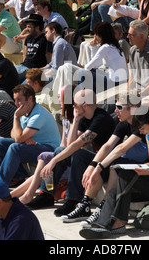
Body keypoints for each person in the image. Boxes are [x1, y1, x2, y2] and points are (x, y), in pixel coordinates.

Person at [79, 105, 149, 239]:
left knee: (125, 174)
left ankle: (118, 223)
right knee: (115, 187)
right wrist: (145, 167)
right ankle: (102, 225)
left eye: (142, 128)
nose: (142, 132)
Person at [65, 92, 149, 226]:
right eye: (116, 107)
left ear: (132, 107)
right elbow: (108, 145)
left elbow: (121, 148)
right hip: (125, 163)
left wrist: (98, 167)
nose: (115, 111)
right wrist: (93, 165)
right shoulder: (123, 123)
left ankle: (103, 208)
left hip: (143, 168)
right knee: (91, 159)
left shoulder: (142, 124)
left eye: (119, 107)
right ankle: (85, 203)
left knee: (113, 164)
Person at [33, 88, 116, 216]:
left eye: (75, 104)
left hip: (105, 161)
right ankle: (46, 195)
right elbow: (70, 145)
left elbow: (77, 145)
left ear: (85, 105)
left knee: (79, 154)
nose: (72, 106)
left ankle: (73, 200)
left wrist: (54, 160)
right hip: (93, 156)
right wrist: (76, 120)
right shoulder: (84, 117)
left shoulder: (101, 118)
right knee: (60, 150)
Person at [0, 84, 61, 186]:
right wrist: (24, 138)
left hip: (49, 148)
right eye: (15, 100)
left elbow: (18, 138)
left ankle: (0, 185)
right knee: (0, 143)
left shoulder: (38, 115)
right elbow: (13, 133)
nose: (16, 103)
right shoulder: (24, 111)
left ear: (30, 98)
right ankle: (19, 176)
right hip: (35, 144)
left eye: (19, 100)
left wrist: (16, 118)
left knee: (15, 147)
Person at [14, 13, 52, 83]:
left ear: (37, 27)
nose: (27, 29)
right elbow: (25, 56)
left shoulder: (45, 39)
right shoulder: (28, 38)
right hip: (23, 66)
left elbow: (49, 58)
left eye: (29, 27)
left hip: (34, 69)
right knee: (7, 72)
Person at [126, 20, 149, 95]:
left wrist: (140, 95)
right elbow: (132, 78)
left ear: (141, 36)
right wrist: (128, 94)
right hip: (137, 93)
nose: (127, 37)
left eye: (131, 35)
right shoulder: (132, 50)